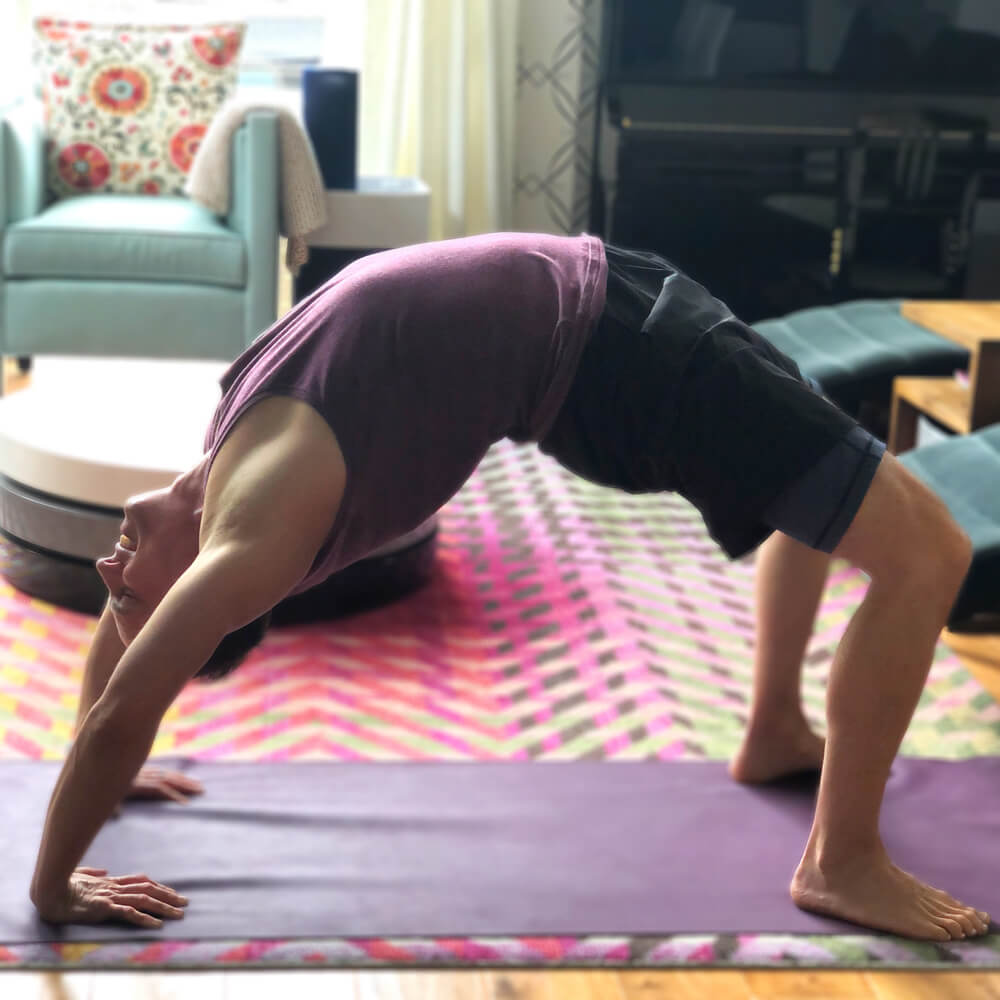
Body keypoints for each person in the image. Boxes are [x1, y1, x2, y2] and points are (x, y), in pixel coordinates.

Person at [29, 233, 988, 941]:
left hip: (619, 309)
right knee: (929, 552)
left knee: (822, 481)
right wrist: (53, 889)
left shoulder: (219, 463)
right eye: (128, 590)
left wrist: (110, 759)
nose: (108, 567)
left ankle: (776, 727)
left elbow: (126, 672)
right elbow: (127, 701)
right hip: (627, 360)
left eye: (111, 586)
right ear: (193, 592)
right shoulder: (250, 532)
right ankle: (843, 859)